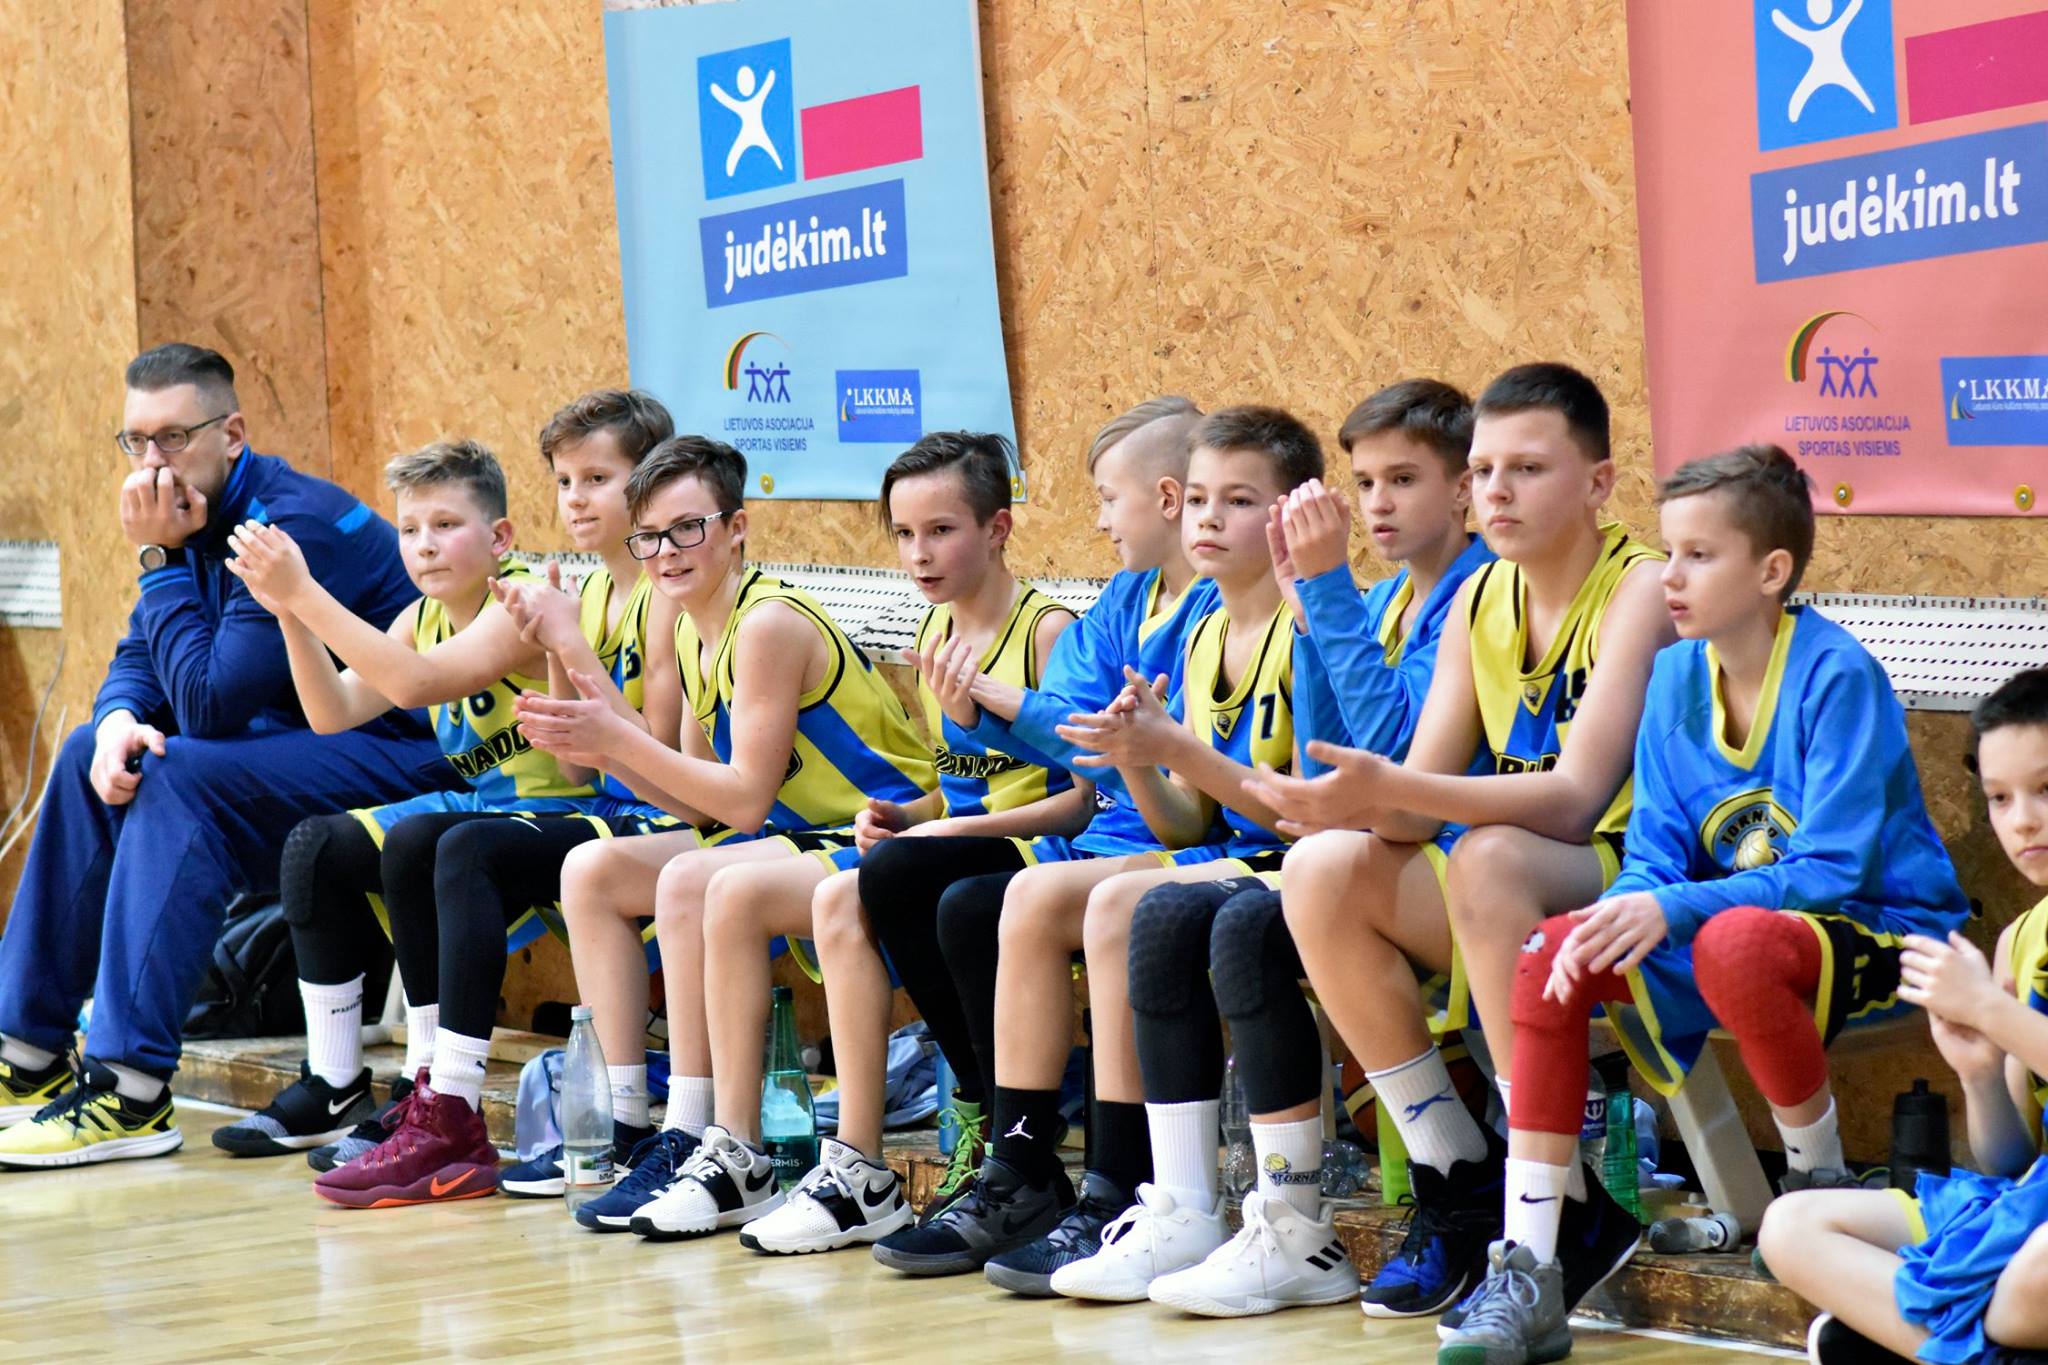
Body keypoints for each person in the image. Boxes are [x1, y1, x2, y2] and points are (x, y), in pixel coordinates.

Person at [1449, 443, 1967, 1362]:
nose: (1670, 576)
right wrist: (1622, 909)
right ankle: (1530, 1265)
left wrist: (1675, 908)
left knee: (1731, 941)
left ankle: (1817, 1190)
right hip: (1737, 923)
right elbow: (1653, 855)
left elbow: (1833, 868)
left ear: (1771, 571)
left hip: (1888, 930)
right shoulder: (1675, 677)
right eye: (1668, 551)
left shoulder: (1836, 674)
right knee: (1549, 953)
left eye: (1698, 554)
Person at [1242, 363, 1671, 1335]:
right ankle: (1461, 1175)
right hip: (1510, 881)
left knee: (1488, 855)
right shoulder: (1481, 597)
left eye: (1527, 468)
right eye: (1483, 471)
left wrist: (1391, 789)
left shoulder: (1641, 585)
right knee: (1321, 870)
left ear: (1598, 483)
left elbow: (1574, 801)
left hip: (1632, 874)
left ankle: (1546, 1215)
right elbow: (1408, 813)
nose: (1496, 492)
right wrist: (1345, 801)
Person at [1053, 378, 1495, 1312]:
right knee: (1167, 917)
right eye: (1365, 482)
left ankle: (1310, 1217)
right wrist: (1144, 756)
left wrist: (1318, 602)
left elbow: (1370, 779)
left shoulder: (1440, 599)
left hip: (1455, 867)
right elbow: (1308, 798)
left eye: (1402, 480)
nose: (1376, 504)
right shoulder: (1368, 606)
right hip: (1361, 858)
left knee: (1242, 918)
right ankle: (1187, 1205)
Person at [870, 405, 1323, 1287]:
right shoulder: (1155, 610)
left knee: (1079, 901)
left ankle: (1122, 1181)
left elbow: (1264, 807)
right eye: (1202, 499)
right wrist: (1139, 753)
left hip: (1252, 852)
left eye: (1111, 498)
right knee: (984, 898)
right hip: (1174, 837)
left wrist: (1035, 717)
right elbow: (1104, 748)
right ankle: (1018, 1160)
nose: (1104, 518)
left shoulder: (1286, 620)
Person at [207, 392, 678, 1187]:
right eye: (410, 529)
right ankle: (354, 1084)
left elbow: (417, 685)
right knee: (319, 846)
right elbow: (331, 712)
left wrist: (307, 592)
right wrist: (287, 611)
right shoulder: (425, 615)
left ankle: (445, 1097)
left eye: (445, 524)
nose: (424, 545)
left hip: (577, 809)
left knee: (439, 843)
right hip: (512, 807)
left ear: (500, 537)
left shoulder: (522, 598)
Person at [0, 344, 445, 1168]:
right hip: (295, 749)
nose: (151, 463)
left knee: (179, 774)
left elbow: (209, 702)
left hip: (402, 751)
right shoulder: (192, 520)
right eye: (135, 441)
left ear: (231, 433)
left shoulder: (284, 526)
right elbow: (145, 656)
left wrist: (157, 558)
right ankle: (25, 1055)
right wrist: (119, 717)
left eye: (172, 438)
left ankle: (130, 1090)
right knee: (95, 752)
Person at [516, 435, 934, 1238]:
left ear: (737, 528)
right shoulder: (688, 625)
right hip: (794, 831)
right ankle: (641, 1124)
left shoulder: (766, 622)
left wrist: (617, 736)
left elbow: (743, 802)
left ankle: (720, 1141)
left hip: (881, 829)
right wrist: (600, 748)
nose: (666, 551)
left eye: (688, 528)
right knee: (595, 870)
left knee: (698, 881)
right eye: (650, 536)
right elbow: (696, 801)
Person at [826, 397, 1214, 1231]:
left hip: (1130, 844)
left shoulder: (1135, 617)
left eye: (1108, 498)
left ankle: (1074, 1168)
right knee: (913, 887)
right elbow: (1071, 727)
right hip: (1098, 843)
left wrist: (990, 709)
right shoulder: (1123, 600)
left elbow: (1084, 764)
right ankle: (997, 1140)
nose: (1099, 519)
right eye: (905, 533)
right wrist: (922, 806)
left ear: (1168, 499)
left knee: (968, 896)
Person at [713, 431, 1082, 1254]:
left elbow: (1081, 801)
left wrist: (948, 831)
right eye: (905, 533)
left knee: (910, 879)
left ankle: (994, 1114)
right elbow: (959, 781)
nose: (919, 553)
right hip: (964, 847)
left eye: (941, 530)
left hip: (1049, 852)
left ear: (998, 528)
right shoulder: (936, 628)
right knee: (864, 879)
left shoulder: (1046, 631)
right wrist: (911, 816)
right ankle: (872, 1158)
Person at [1759, 668, 2048, 1365]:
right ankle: (1982, 1347)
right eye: (1999, 797)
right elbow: (2011, 1161)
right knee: (1792, 1226)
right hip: (2033, 1207)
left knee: (2033, 1279)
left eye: (2046, 789)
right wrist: (1979, 1074)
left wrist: (1989, 1008)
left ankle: (1913, 1338)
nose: (2021, 820)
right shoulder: (2021, 940)